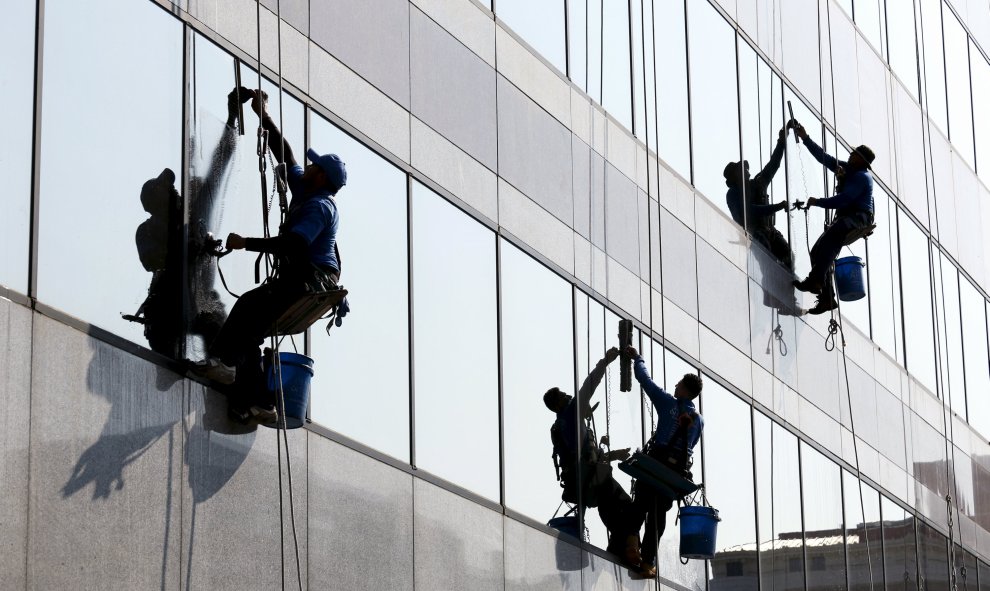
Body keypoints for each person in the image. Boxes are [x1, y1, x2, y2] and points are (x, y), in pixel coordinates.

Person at [192, 88, 347, 423]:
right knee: (251, 331)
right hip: (304, 277)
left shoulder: (320, 206)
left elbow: (293, 245)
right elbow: (284, 152)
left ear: (322, 177)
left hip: (310, 280)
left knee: (249, 305)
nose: (308, 165)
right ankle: (259, 402)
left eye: (315, 165)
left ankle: (224, 363)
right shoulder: (308, 189)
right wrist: (262, 113)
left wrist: (244, 243)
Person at [545, 347, 641, 568]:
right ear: (558, 404)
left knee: (614, 518)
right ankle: (629, 552)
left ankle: (618, 555)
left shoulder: (564, 425)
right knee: (631, 510)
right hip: (595, 480)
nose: (568, 395)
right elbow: (589, 385)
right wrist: (605, 362)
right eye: (563, 395)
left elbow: (584, 457)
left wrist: (612, 455)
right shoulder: (569, 414)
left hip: (588, 481)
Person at [625, 347, 704, 578]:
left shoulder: (668, 403)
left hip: (655, 464)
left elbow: (644, 379)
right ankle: (647, 562)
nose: (675, 386)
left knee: (639, 506)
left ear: (684, 390)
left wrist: (637, 357)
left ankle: (631, 544)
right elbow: (691, 446)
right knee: (658, 518)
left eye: (679, 384)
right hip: (674, 475)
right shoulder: (699, 420)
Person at [790, 120, 875, 315]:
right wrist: (805, 138)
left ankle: (817, 281)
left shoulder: (862, 177)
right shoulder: (850, 171)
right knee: (818, 251)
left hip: (856, 218)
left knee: (830, 240)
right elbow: (825, 159)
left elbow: (844, 200)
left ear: (861, 161)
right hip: (846, 219)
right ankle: (826, 296)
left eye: (854, 154)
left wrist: (818, 202)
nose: (850, 155)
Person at [723, 124, 793, 270]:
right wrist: (777, 206)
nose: (747, 171)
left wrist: (781, 142)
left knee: (790, 258)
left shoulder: (757, 185)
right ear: (735, 176)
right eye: (742, 170)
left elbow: (773, 165)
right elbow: (748, 211)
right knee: (766, 260)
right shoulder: (733, 194)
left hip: (770, 231)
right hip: (755, 234)